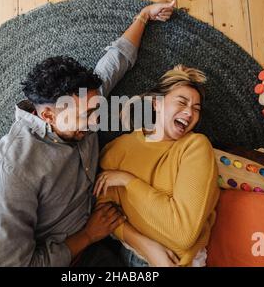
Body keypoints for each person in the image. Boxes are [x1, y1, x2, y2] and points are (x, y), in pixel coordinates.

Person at [0, 0, 176, 266]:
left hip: (106, 215)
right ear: (47, 115)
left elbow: (116, 60)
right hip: (73, 254)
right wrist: (88, 235)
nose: (95, 122)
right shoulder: (9, 172)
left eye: (95, 109)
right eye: (85, 117)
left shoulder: (81, 101)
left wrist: (144, 16)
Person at [94, 65, 220, 267]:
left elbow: (183, 235)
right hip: (133, 256)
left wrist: (128, 181)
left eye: (196, 109)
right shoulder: (119, 149)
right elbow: (103, 212)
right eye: (182, 102)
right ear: (156, 103)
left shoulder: (194, 147)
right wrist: (145, 246)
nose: (189, 113)